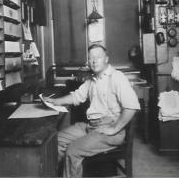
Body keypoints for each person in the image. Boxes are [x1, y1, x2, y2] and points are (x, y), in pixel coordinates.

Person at [45, 44, 140, 178]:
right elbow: (76, 96)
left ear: (106, 59)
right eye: (91, 58)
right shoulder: (92, 79)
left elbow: (132, 106)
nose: (94, 61)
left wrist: (114, 128)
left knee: (73, 150)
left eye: (98, 57)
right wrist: (56, 101)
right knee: (57, 141)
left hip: (109, 129)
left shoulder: (116, 77)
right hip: (92, 126)